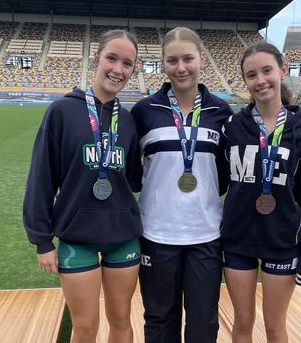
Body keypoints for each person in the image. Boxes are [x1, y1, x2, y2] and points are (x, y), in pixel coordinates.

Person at [23, 29, 143, 343]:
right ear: (96, 59)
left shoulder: (128, 121)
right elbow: (41, 177)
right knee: (85, 327)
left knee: (121, 321)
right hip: (77, 237)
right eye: (112, 58)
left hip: (123, 237)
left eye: (127, 64)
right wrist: (42, 240)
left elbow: (132, 178)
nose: (118, 69)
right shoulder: (61, 112)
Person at [220, 41, 301, 343]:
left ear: (282, 70)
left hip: (283, 245)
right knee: (242, 322)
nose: (260, 81)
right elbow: (217, 180)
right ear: (245, 81)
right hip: (237, 243)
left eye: (267, 71)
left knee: (274, 327)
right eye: (251, 75)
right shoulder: (232, 128)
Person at [131, 27, 233, 342]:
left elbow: (224, 175)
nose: (181, 67)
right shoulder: (144, 111)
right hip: (157, 234)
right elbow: (133, 173)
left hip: (205, 234)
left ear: (201, 58)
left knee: (204, 321)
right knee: (160, 319)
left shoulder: (221, 111)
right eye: (172, 60)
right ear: (163, 63)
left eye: (188, 58)